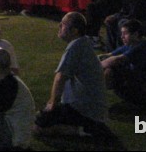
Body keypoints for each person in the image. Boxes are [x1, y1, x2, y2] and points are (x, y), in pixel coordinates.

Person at [34, 12, 112, 140]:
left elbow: (60, 77)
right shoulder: (82, 44)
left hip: (84, 110)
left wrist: (52, 104)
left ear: (75, 31)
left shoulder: (75, 47)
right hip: (87, 108)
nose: (59, 26)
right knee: (40, 117)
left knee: (38, 127)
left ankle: (85, 130)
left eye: (63, 24)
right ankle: (88, 127)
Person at [101, 18, 146, 107]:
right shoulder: (131, 45)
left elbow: (117, 59)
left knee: (112, 68)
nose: (122, 37)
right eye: (121, 34)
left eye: (125, 34)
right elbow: (108, 56)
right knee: (111, 66)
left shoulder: (141, 48)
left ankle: (96, 96)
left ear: (136, 34)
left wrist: (94, 66)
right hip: (141, 86)